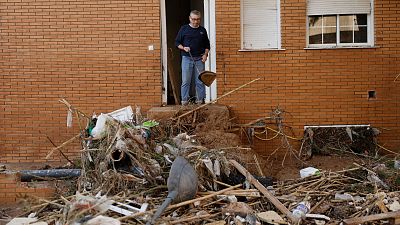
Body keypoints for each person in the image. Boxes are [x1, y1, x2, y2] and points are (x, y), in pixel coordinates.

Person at [175, 10, 210, 105]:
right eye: (194, 19)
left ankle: (199, 102)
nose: (196, 21)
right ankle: (184, 102)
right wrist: (183, 48)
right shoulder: (184, 29)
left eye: (198, 19)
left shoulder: (202, 30)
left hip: (199, 59)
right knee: (186, 81)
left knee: (199, 82)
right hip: (187, 58)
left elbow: (207, 45)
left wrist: (205, 54)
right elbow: (177, 43)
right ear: (190, 18)